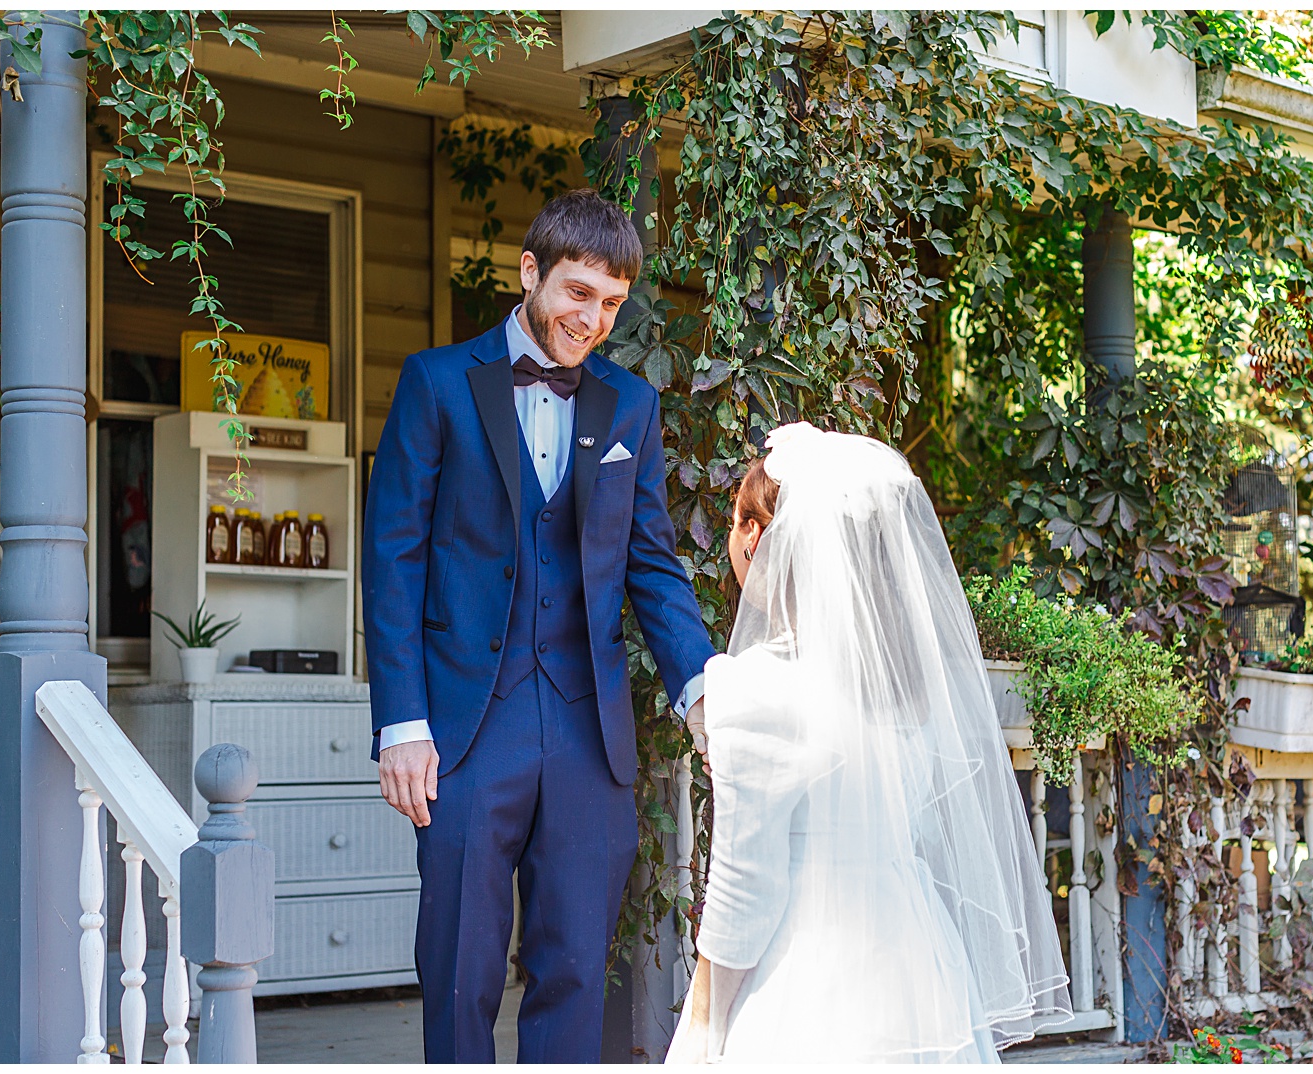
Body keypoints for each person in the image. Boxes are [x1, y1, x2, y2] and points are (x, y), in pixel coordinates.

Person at [363, 189, 716, 1063]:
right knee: (460, 968)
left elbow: (652, 562)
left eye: (610, 304)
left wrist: (703, 684)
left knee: (572, 973)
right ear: (530, 273)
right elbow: (394, 558)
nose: (590, 320)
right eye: (576, 293)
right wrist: (401, 723)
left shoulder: (629, 406)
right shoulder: (439, 383)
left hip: (587, 731)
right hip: (464, 729)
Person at [667, 423, 1072, 1064]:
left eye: (742, 520)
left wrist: (704, 1022)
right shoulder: (908, 691)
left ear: (759, 537)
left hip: (805, 980)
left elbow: (747, 885)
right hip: (918, 968)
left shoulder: (759, 691)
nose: (735, 538)